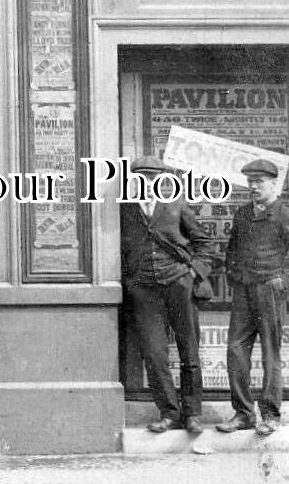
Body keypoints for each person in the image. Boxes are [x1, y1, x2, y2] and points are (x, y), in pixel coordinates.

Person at [120, 155, 213, 435]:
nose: (147, 184)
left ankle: (193, 414)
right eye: (141, 179)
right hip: (145, 291)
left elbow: (203, 243)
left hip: (178, 286)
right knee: (154, 354)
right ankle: (170, 413)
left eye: (152, 179)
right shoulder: (125, 210)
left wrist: (193, 274)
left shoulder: (177, 205)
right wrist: (131, 280)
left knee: (189, 351)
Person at [218, 158, 289, 437]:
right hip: (244, 290)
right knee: (235, 349)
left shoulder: (284, 215)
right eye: (250, 181)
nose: (253, 186)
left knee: (270, 352)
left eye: (259, 182)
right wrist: (234, 275)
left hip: (270, 288)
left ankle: (270, 414)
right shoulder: (243, 214)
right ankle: (244, 413)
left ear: (274, 184)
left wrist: (282, 282)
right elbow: (232, 250)